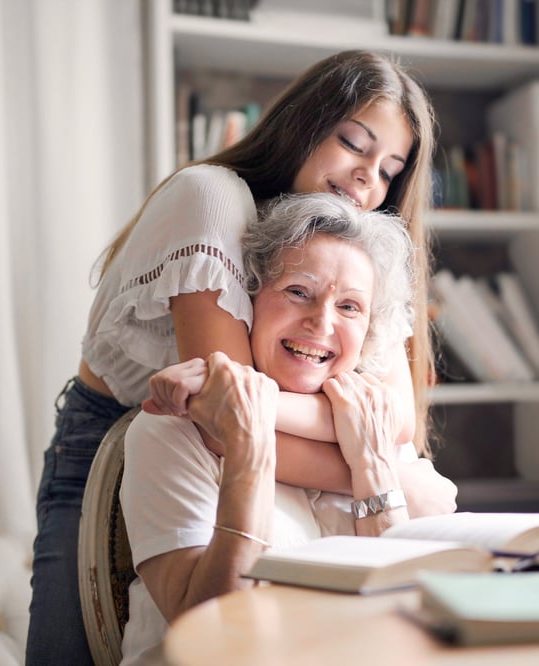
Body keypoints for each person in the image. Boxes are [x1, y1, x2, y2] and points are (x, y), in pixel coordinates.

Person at [26, 50, 456, 664]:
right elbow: (233, 422)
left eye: (390, 169)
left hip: (247, 442)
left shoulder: (353, 246)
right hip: (119, 441)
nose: (368, 180)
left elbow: (397, 418)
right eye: (354, 144)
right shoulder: (211, 198)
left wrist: (377, 449)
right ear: (302, 126)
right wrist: (385, 468)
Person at [121, 193, 423, 664]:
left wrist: (374, 464)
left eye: (349, 307)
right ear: (251, 298)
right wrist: (249, 445)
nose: (321, 322)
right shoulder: (171, 433)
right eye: (299, 292)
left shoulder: (372, 425)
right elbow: (216, 631)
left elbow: (407, 616)